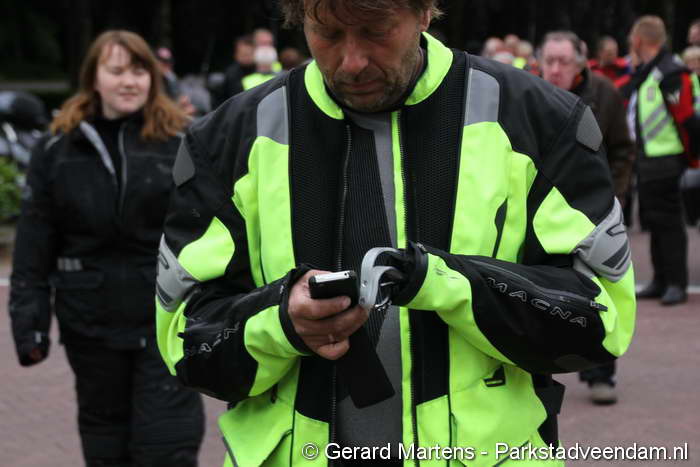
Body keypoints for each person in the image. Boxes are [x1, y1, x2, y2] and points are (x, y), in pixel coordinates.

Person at [156, 1, 635, 465]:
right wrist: (281, 321)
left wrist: (447, 284)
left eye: (376, 31)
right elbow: (183, 341)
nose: (352, 61)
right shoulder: (227, 140)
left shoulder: (539, 120)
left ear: (425, 11)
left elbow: (602, 320)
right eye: (327, 33)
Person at [8, 30, 204, 466]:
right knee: (105, 445)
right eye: (116, 71)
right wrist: (29, 325)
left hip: (166, 320)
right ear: (93, 78)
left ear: (153, 78)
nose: (129, 81)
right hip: (90, 323)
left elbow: (208, 230)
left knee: (167, 445)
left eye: (139, 71)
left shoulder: (182, 142)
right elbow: (34, 242)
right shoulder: (57, 148)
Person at [540, 30, 635, 406]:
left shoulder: (605, 94)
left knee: (598, 297)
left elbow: (623, 149)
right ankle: (539, 374)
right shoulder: (526, 92)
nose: (555, 69)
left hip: (592, 211)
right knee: (539, 295)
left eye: (563, 61)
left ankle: (600, 373)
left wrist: (615, 197)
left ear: (580, 64)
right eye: (549, 61)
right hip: (541, 212)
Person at [624, 16, 699, 306]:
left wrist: (691, 159)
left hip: (666, 159)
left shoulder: (669, 73)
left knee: (669, 224)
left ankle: (676, 283)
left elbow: (688, 120)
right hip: (648, 159)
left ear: (639, 40)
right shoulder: (650, 72)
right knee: (654, 221)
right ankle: (660, 279)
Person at [215, 35, 256, 107]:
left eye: (249, 54)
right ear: (236, 54)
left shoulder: (261, 70)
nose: (247, 57)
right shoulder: (231, 74)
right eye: (243, 54)